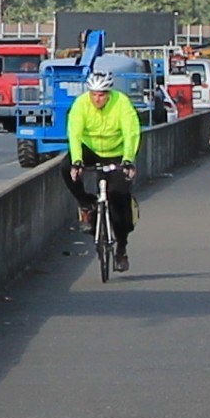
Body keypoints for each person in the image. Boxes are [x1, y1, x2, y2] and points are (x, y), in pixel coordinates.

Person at [62, 71, 141, 272]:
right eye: (94, 94)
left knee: (119, 200)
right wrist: (77, 161)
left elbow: (131, 132)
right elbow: (75, 132)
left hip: (117, 152)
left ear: (109, 93)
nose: (98, 99)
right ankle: (86, 204)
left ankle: (121, 249)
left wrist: (128, 160)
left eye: (102, 95)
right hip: (90, 149)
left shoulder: (121, 103)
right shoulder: (80, 104)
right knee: (65, 166)